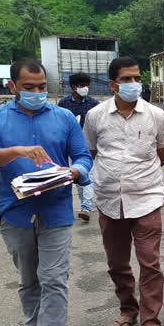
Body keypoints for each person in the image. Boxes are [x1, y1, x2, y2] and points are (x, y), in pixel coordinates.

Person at [0, 59, 93, 326]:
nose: (37, 93)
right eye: (29, 88)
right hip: (16, 212)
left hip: (56, 210)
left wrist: (75, 171)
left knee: (53, 279)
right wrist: (16, 151)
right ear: (13, 87)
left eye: (41, 87)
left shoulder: (64, 117)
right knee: (28, 280)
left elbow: (83, 156)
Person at [83, 57, 164, 326]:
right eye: (126, 79)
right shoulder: (96, 116)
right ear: (112, 84)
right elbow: (92, 151)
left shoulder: (155, 115)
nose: (134, 84)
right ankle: (128, 310)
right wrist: (116, 176)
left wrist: (139, 177)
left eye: (137, 78)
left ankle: (151, 322)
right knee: (117, 263)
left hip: (147, 198)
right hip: (110, 201)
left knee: (150, 263)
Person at [57, 72, 100, 222]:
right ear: (74, 87)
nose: (85, 88)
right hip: (69, 146)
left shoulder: (94, 104)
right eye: (82, 85)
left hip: (88, 146)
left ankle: (86, 207)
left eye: (86, 85)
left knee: (88, 174)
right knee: (76, 176)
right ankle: (84, 203)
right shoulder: (63, 104)